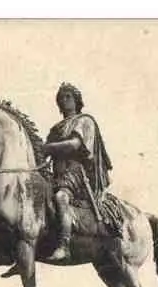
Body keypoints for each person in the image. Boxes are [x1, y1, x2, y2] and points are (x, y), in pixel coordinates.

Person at [43, 82, 113, 261]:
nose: (64, 100)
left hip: (76, 174)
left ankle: (64, 246)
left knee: (61, 198)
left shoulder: (84, 121)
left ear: (77, 100)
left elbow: (75, 144)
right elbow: (43, 154)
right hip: (56, 174)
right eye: (60, 98)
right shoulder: (56, 128)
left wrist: (48, 148)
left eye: (68, 96)